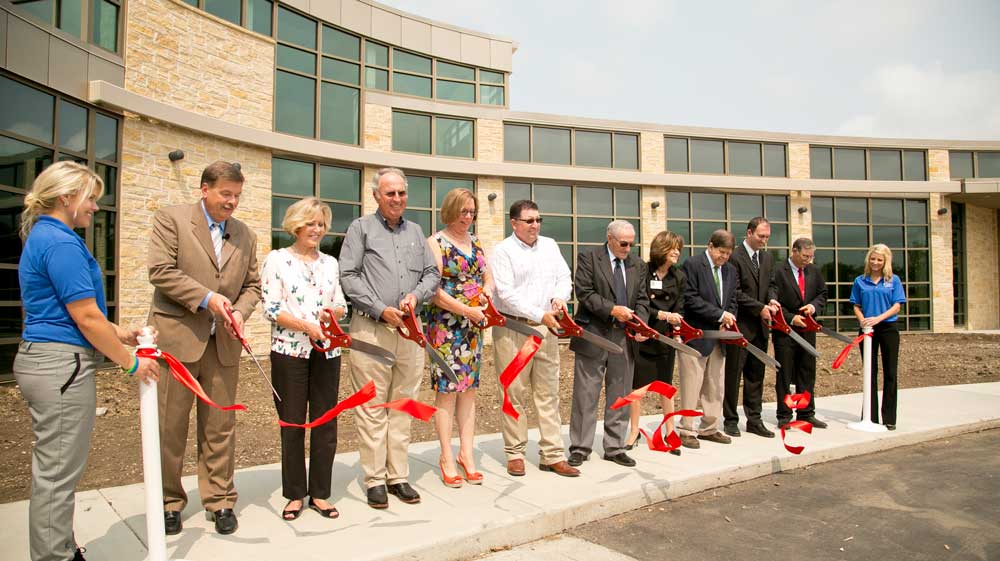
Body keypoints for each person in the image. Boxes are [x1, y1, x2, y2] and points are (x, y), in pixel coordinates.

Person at [15, 161, 159, 561]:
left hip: (47, 361)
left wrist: (122, 332)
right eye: (91, 199)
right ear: (66, 198)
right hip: (60, 366)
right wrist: (131, 362)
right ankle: (54, 556)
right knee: (57, 476)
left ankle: (59, 546)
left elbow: (75, 312)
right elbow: (85, 317)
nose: (95, 208)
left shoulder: (45, 236)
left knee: (56, 471)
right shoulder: (60, 243)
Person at [148, 160, 261, 536]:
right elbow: (161, 271)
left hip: (223, 344)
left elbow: (252, 286)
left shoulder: (244, 234)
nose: (232, 202)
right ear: (204, 189)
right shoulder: (172, 219)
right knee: (170, 426)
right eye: (225, 194)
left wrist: (241, 312)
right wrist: (209, 299)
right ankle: (168, 502)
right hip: (179, 340)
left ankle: (221, 500)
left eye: (237, 196)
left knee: (220, 426)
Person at [339, 168, 440, 509]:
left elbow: (432, 273)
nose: (397, 199)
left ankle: (398, 476)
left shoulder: (415, 231)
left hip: (410, 332)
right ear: (376, 196)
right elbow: (349, 275)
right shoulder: (360, 229)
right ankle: (374, 480)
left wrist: (416, 296)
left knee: (402, 405)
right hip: (372, 330)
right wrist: (381, 309)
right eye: (390, 193)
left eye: (401, 193)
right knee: (371, 407)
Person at [261, 198, 348, 520]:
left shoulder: (330, 263)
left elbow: (341, 303)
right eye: (310, 223)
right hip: (289, 352)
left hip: (328, 351)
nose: (317, 229)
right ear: (296, 225)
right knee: (293, 423)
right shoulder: (277, 260)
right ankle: (295, 494)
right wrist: (305, 326)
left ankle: (321, 494)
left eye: (321, 224)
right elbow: (270, 308)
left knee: (326, 423)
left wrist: (333, 313)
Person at [491, 200, 579, 478]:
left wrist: (559, 298)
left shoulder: (550, 245)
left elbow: (565, 277)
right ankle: (515, 453)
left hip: (546, 330)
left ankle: (552, 454)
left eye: (538, 220)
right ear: (514, 223)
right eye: (529, 221)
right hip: (514, 329)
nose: (535, 225)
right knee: (513, 393)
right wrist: (541, 315)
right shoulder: (502, 251)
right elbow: (506, 294)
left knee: (548, 393)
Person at [421, 188, 493, 488]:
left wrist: (487, 292)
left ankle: (466, 453)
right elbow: (433, 290)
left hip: (473, 328)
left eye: (472, 212)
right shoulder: (435, 243)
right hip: (447, 327)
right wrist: (466, 310)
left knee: (469, 391)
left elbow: (487, 276)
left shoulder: (475, 242)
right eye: (463, 211)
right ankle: (446, 457)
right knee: (448, 391)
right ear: (450, 211)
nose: (468, 217)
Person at [567, 220, 649, 468]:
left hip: (625, 338)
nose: (627, 248)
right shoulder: (589, 258)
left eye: (631, 244)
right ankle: (580, 447)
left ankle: (614, 446)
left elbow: (643, 299)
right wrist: (612, 310)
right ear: (610, 238)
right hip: (595, 334)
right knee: (586, 394)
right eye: (623, 243)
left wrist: (640, 325)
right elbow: (584, 292)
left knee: (621, 393)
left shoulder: (637, 265)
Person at [677, 229, 739, 449]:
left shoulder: (730, 270)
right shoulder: (692, 265)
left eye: (728, 254)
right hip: (695, 336)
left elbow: (733, 298)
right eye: (721, 252)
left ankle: (709, 428)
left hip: (720, 337)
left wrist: (728, 318)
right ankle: (687, 430)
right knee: (691, 385)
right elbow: (689, 298)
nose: (724, 257)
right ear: (710, 246)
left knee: (715, 385)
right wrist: (719, 315)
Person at [626, 230, 685, 456]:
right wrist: (660, 315)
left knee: (666, 386)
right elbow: (638, 300)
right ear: (661, 249)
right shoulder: (644, 271)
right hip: (643, 334)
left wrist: (677, 329)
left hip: (665, 338)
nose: (677, 252)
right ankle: (634, 431)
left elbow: (680, 307)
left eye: (679, 248)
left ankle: (670, 430)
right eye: (673, 248)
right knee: (636, 387)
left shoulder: (678, 276)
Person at [723, 217, 776, 438]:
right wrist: (759, 308)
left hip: (762, 327)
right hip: (741, 325)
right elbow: (734, 292)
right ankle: (730, 420)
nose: (764, 241)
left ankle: (754, 419)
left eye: (767, 237)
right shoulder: (734, 257)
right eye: (761, 236)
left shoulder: (767, 258)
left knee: (756, 375)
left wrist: (772, 301)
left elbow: (771, 284)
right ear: (749, 233)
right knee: (733, 374)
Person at [768, 237, 828, 428]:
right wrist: (791, 318)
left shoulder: (814, 271)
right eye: (804, 256)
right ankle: (784, 415)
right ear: (794, 251)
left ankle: (805, 412)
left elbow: (822, 294)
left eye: (811, 256)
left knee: (806, 372)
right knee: (784, 374)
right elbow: (773, 301)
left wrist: (813, 306)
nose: (808, 260)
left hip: (808, 330)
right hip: (785, 331)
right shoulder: (777, 271)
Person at [850, 243, 906, 430]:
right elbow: (856, 305)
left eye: (879, 259)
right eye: (872, 259)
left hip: (888, 328)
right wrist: (863, 320)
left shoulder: (893, 280)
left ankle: (889, 418)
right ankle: (870, 416)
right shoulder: (860, 280)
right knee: (869, 372)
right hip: (867, 330)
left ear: (885, 261)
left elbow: (897, 305)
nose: (875, 262)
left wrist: (878, 319)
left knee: (890, 372)